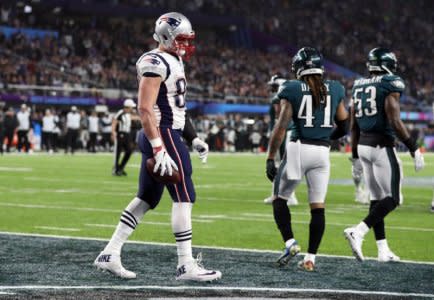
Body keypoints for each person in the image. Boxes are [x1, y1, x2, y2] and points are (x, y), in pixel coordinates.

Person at [94, 12, 221, 282]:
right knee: (185, 196)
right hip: (162, 135)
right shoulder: (155, 61)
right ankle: (186, 265)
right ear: (167, 36)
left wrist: (194, 138)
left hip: (167, 132)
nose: (186, 44)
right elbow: (145, 108)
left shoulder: (173, 60)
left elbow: (176, 108)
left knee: (147, 198)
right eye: (182, 39)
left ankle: (110, 253)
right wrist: (159, 147)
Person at [266, 47, 349, 272]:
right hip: (322, 153)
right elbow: (344, 125)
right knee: (318, 207)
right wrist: (326, 138)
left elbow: (281, 126)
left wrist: (270, 157)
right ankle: (311, 258)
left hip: (298, 148)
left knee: (279, 198)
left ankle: (290, 243)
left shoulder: (291, 88)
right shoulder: (336, 88)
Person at [344, 48, 425, 262]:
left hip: (363, 146)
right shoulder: (391, 83)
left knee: (376, 198)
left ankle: (383, 250)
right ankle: (358, 231)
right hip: (381, 146)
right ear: (387, 64)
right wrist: (413, 146)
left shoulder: (358, 85)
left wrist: (354, 156)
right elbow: (394, 120)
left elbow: (353, 126)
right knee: (395, 198)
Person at [264, 74, 298, 206]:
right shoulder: (285, 97)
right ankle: (277, 194)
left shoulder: (280, 98)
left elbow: (279, 120)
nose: (271, 89)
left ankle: (287, 195)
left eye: (273, 86)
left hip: (284, 133)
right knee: (280, 164)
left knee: (281, 164)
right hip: (285, 132)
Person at [112, 99, 136, 176]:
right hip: (120, 134)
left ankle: (121, 167)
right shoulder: (120, 112)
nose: (132, 108)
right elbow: (114, 121)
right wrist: (113, 132)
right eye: (131, 107)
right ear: (128, 107)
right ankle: (116, 169)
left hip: (127, 134)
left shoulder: (128, 114)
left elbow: (133, 118)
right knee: (118, 152)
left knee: (129, 151)